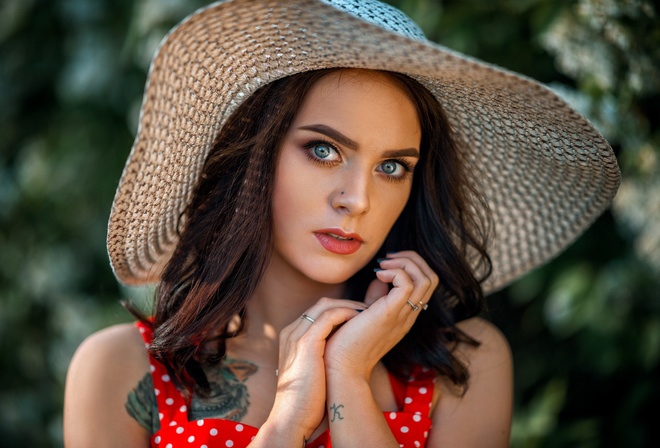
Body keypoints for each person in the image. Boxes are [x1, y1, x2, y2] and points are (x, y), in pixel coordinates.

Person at [63, 0, 620, 447]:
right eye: (325, 151)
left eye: (393, 166)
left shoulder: (463, 365)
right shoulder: (122, 371)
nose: (358, 199)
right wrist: (284, 425)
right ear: (251, 156)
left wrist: (349, 377)